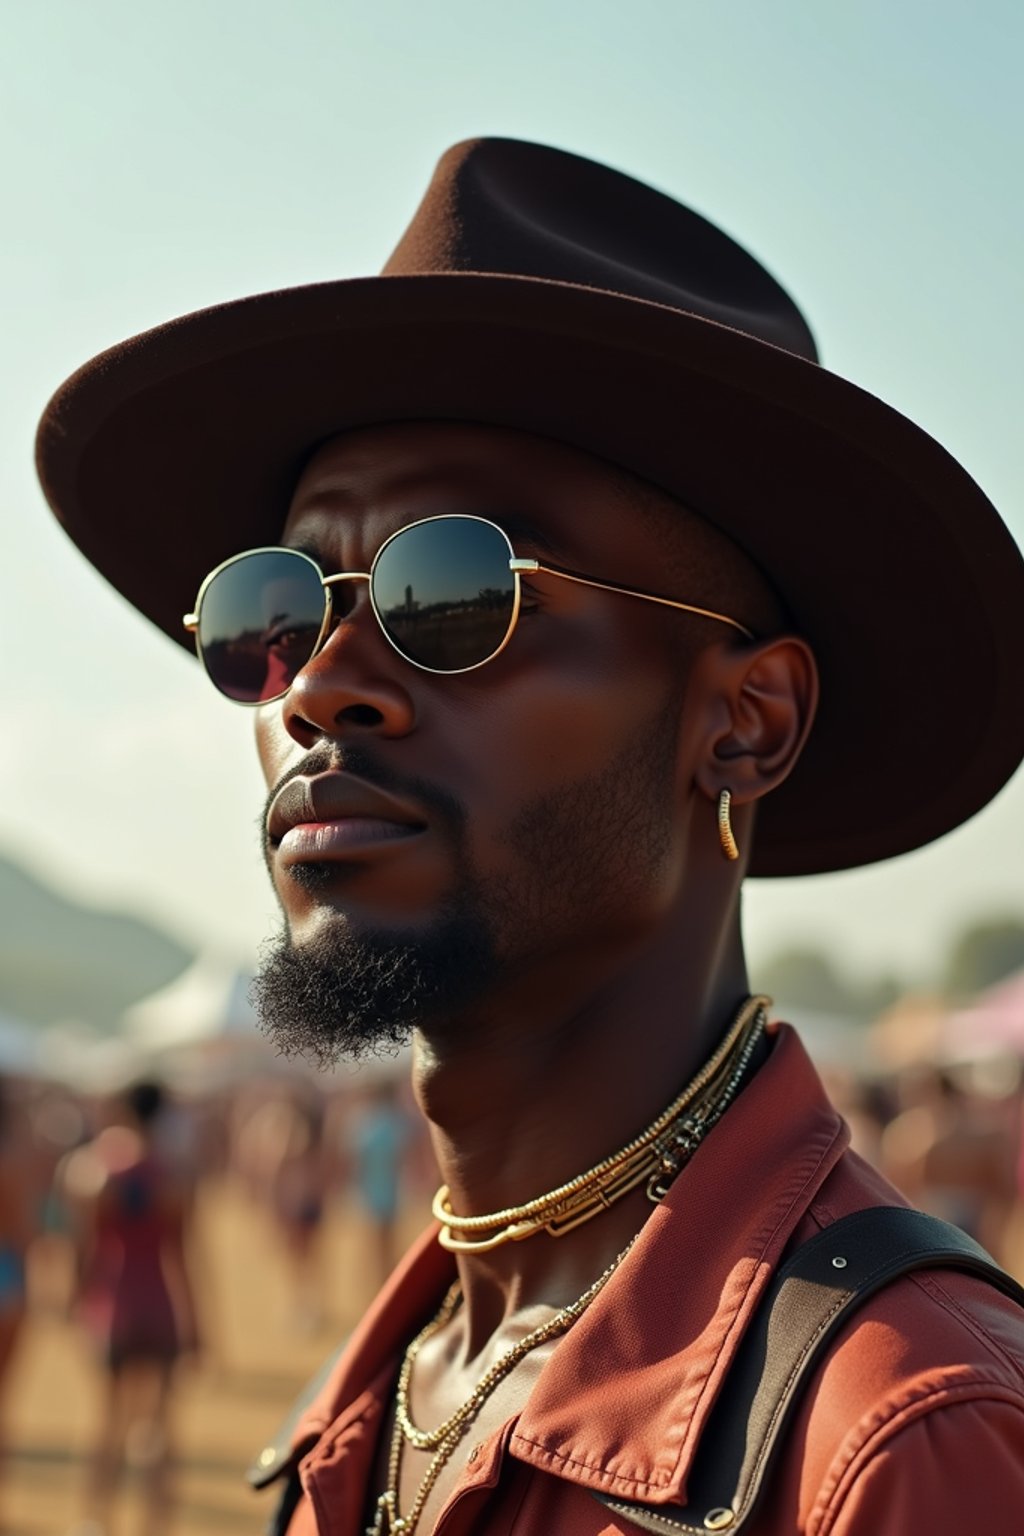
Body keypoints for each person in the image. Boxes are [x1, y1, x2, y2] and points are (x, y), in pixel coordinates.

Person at [35, 138, 1024, 1534]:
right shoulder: (379, 1402)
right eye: (282, 605)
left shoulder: (891, 1444)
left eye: (452, 592)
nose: (321, 683)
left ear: (745, 723)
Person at [62, 1079, 198, 1536]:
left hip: (115, 1307)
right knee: (157, 1428)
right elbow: (182, 1257)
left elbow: (86, 1247)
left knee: (108, 1422)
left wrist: (75, 1298)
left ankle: (95, 1518)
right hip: (158, 1306)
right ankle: (155, 1524)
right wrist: (196, 1322)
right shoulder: (172, 1175)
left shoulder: (99, 1171)